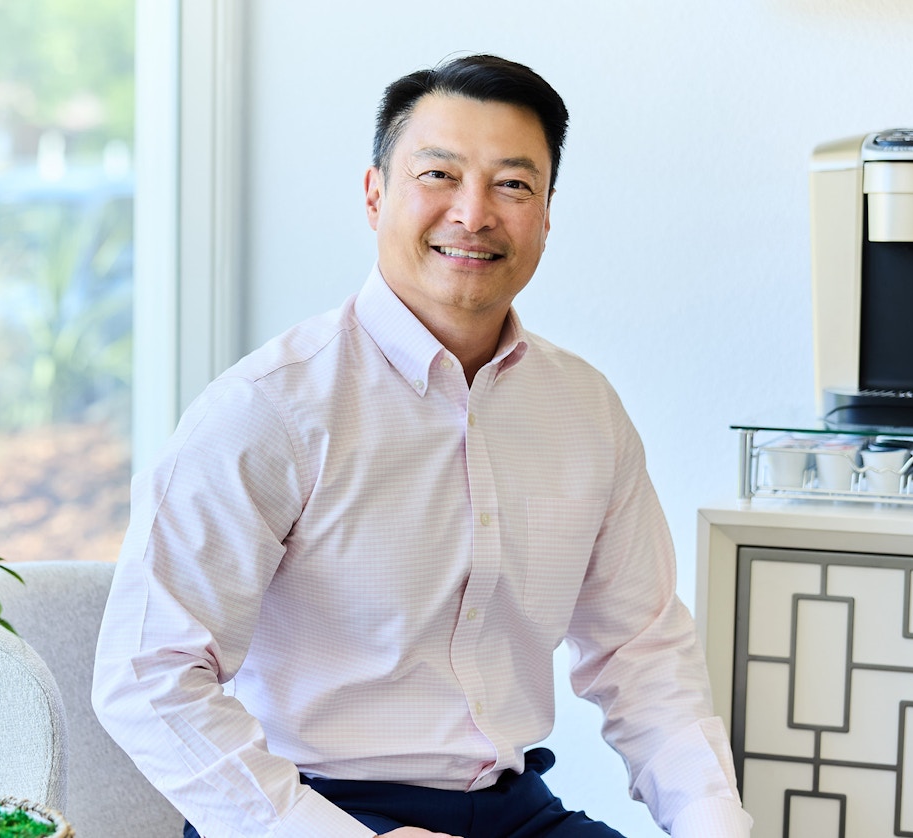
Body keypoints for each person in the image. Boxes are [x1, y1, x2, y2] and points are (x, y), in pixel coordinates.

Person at [92, 54, 752, 838]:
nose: (473, 214)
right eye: (438, 174)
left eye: (513, 184)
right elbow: (146, 675)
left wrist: (716, 825)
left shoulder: (586, 412)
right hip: (309, 812)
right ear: (375, 195)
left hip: (514, 812)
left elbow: (642, 655)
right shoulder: (268, 409)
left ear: (546, 215)